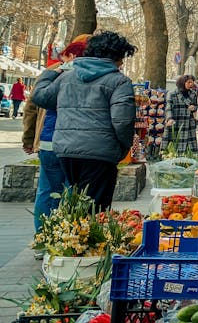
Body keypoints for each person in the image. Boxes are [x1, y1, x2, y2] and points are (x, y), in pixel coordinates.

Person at [31, 31, 137, 210]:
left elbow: (41, 96)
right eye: (122, 58)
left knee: (75, 204)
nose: (122, 63)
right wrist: (124, 147)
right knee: (95, 210)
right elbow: (123, 121)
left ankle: (68, 236)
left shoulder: (66, 77)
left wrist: (52, 73)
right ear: (115, 57)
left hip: (66, 150)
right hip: (100, 153)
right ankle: (87, 237)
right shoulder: (119, 81)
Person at [22, 40, 88, 238]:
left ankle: (43, 238)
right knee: (71, 191)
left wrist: (29, 138)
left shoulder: (50, 75)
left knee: (46, 190)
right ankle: (64, 238)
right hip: (75, 143)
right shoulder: (86, 76)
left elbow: (32, 107)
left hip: (48, 141)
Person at [165, 75, 198, 155]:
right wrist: (169, 118)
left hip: (189, 124)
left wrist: (194, 107)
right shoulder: (173, 94)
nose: (191, 84)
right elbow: (168, 107)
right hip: (176, 122)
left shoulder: (193, 93)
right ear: (182, 83)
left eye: (192, 82)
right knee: (176, 145)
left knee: (190, 148)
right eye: (189, 82)